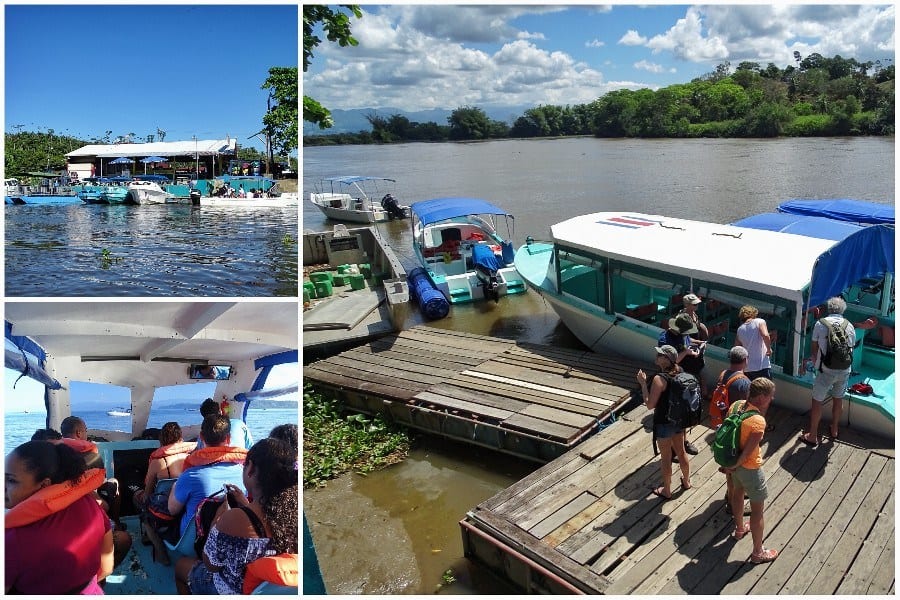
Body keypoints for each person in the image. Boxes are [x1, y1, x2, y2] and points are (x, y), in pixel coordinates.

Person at [174, 437, 299, 594]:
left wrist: (216, 522)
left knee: (180, 567)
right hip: (267, 590)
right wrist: (246, 505)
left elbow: (211, 564)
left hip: (229, 590)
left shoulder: (233, 519)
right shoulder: (294, 515)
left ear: (251, 468)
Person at [5, 440, 114, 593]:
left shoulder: (12, 538)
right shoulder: (90, 504)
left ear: (44, 485)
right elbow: (106, 569)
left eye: (10, 480)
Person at [60, 415, 132, 569]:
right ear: (79, 433)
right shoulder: (90, 455)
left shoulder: (54, 454)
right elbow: (97, 483)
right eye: (85, 430)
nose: (86, 433)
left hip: (64, 501)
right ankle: (115, 524)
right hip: (86, 499)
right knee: (113, 486)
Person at [720, 378, 778, 564]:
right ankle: (758, 552)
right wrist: (735, 465)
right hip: (749, 469)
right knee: (758, 511)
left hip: (733, 464)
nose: (772, 399)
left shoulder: (736, 405)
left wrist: (730, 467)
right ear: (761, 397)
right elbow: (747, 453)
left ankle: (739, 529)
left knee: (737, 493)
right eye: (770, 396)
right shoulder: (758, 421)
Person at [168, 414, 247, 537]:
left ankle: (162, 555)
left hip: (193, 542)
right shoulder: (245, 473)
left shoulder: (190, 476)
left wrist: (175, 486)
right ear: (228, 438)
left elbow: (172, 511)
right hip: (231, 536)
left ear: (201, 437)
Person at [636, 345, 691, 500]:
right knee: (681, 452)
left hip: (664, 423)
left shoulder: (659, 379)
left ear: (667, 359)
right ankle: (686, 482)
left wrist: (642, 383)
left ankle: (667, 490)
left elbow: (649, 404)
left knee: (666, 457)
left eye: (660, 354)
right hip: (679, 420)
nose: (656, 355)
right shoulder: (680, 371)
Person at [135, 422, 196, 564]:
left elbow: (147, 493)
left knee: (141, 506)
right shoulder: (190, 457)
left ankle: (160, 551)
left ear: (161, 440)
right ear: (180, 439)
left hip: (164, 509)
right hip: (184, 505)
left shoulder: (158, 462)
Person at [800, 296, 856, 446]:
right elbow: (851, 348)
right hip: (845, 369)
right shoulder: (849, 325)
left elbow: (813, 349)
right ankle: (835, 429)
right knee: (838, 399)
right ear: (843, 310)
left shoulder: (820, 324)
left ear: (828, 309)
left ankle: (812, 435)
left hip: (826, 370)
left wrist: (815, 362)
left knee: (817, 401)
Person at [658, 313, 705, 455]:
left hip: (683, 376)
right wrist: (686, 352)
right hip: (670, 379)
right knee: (672, 412)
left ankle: (683, 441)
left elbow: (688, 339)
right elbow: (669, 362)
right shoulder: (664, 340)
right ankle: (673, 448)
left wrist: (698, 343)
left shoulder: (682, 334)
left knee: (684, 409)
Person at [715, 347, 752, 516]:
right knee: (735, 469)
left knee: (730, 466)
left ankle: (731, 494)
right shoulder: (744, 382)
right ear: (745, 360)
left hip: (724, 425)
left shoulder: (724, 374)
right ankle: (732, 503)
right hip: (736, 430)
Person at [735, 305, 773, 380]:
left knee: (752, 391)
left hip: (748, 369)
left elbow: (737, 348)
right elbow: (765, 335)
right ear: (753, 314)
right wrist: (769, 349)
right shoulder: (759, 321)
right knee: (766, 390)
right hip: (762, 366)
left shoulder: (740, 329)